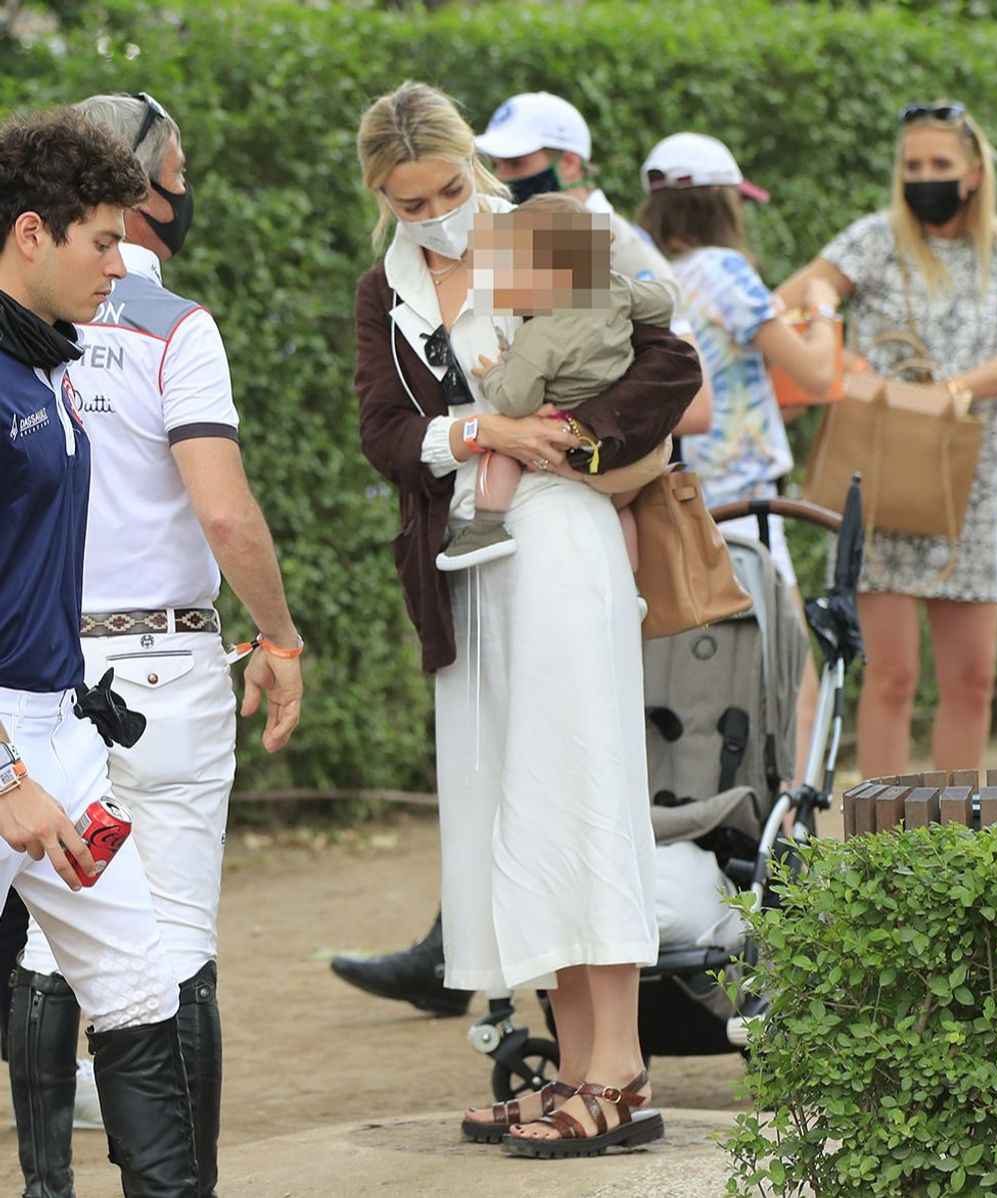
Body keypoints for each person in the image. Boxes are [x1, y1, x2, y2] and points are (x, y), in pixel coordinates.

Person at [353, 81, 701, 1156]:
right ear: (381, 196)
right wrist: (474, 435)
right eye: (409, 201)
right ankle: (577, 1062)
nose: (434, 213)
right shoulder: (387, 290)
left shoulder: (541, 239)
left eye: (447, 188)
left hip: (558, 539)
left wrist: (568, 435)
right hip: (463, 562)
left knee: (580, 782)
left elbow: (671, 368)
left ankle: (621, 1073)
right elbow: (382, 432)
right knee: (513, 800)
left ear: (476, 167)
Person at [7, 92, 304, 1198]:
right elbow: (224, 514)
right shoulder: (170, 325)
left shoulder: (37, 338)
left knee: (76, 946)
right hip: (150, 671)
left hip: (54, 680)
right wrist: (278, 631)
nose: (172, 203)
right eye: (168, 179)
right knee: (169, 943)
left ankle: (51, 1185)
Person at [0, 106, 201, 1195]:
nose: (121, 264)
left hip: (59, 728)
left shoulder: (49, 364)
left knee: (139, 982)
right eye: (103, 241)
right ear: (32, 233)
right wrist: (4, 773)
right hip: (4, 747)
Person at [777, 101, 997, 777]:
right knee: (889, 677)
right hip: (880, 479)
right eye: (913, 164)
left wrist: (951, 393)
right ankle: (882, 849)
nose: (924, 177)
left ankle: (956, 845)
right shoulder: (874, 238)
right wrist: (838, 355)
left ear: (973, 173)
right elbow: (790, 303)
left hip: (961, 487)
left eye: (939, 164)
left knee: (971, 679)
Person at [635, 132, 840, 782]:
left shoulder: (648, 272)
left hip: (681, 495)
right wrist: (826, 310)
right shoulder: (725, 271)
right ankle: (794, 836)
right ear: (725, 202)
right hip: (749, 503)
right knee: (793, 676)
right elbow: (815, 374)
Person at [438, 193, 674, 571]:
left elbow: (517, 401)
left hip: (582, 446)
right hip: (646, 448)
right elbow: (664, 303)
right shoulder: (611, 289)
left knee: (503, 449)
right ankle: (631, 586)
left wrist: (494, 375)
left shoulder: (539, 335)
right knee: (621, 512)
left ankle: (486, 529)